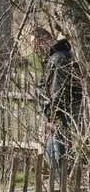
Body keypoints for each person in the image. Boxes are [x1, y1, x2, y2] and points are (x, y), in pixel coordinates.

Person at [30, 28, 83, 170]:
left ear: (44, 40)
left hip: (64, 114)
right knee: (53, 152)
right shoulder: (56, 56)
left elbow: (57, 91)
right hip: (62, 113)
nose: (34, 50)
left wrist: (52, 117)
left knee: (58, 156)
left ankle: (64, 181)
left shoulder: (58, 58)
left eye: (35, 44)